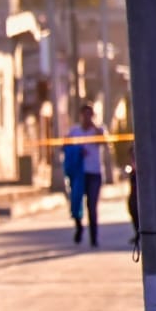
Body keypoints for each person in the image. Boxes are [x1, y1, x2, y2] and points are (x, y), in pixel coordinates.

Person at [64, 104, 105, 246]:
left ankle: (94, 238)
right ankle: (79, 227)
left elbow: (104, 142)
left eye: (89, 115)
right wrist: (76, 151)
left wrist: (94, 127)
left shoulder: (98, 130)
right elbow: (64, 146)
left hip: (94, 173)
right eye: (84, 115)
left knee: (92, 207)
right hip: (78, 174)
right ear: (80, 115)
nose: (87, 118)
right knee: (76, 202)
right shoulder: (75, 131)